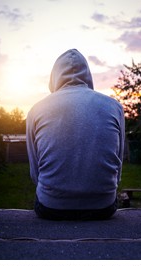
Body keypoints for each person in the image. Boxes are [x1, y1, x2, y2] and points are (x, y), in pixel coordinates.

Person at [26, 49, 125, 220]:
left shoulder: (36, 110)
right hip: (103, 206)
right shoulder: (114, 107)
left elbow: (35, 173)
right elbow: (118, 167)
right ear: (88, 75)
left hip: (51, 207)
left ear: (54, 77)